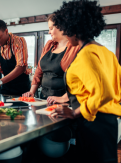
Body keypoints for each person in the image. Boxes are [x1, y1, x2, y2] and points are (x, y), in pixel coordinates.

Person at [50, 0, 121, 162]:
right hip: (109, 123)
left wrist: (74, 112)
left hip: (94, 124)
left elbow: (105, 93)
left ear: (73, 28)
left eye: (66, 30)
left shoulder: (87, 54)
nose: (66, 36)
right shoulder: (107, 53)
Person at [22, 14, 80, 103]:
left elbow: (79, 78)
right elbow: (39, 70)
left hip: (64, 101)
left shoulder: (75, 47)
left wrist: (64, 98)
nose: (49, 32)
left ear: (61, 27)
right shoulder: (49, 45)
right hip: (44, 98)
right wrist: (31, 91)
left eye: (51, 28)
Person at [0, 19, 31, 95]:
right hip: (6, 86)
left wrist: (0, 82)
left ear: (6, 31)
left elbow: (21, 66)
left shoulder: (19, 41)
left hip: (22, 87)